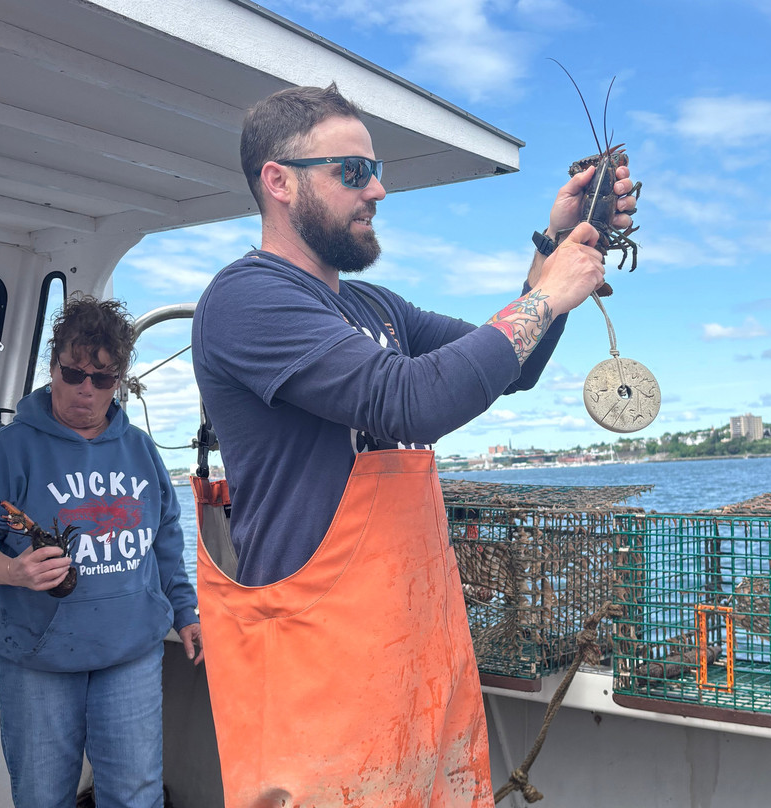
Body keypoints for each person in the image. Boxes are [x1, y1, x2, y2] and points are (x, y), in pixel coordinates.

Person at [191, 83, 636, 807]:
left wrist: (557, 246)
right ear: (278, 181)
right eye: (354, 172)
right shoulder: (247, 301)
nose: (380, 190)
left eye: (377, 170)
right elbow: (413, 399)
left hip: (416, 669)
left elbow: (506, 369)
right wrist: (549, 294)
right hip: (318, 679)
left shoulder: (372, 306)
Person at [0, 295, 202, 808]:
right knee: (43, 796)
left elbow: (166, 540)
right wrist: (14, 571)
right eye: (73, 372)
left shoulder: (142, 450)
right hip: (35, 659)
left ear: (119, 382)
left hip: (130, 652)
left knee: (135, 794)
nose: (85, 389)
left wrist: (186, 611)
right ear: (54, 366)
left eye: (102, 379)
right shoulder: (10, 449)